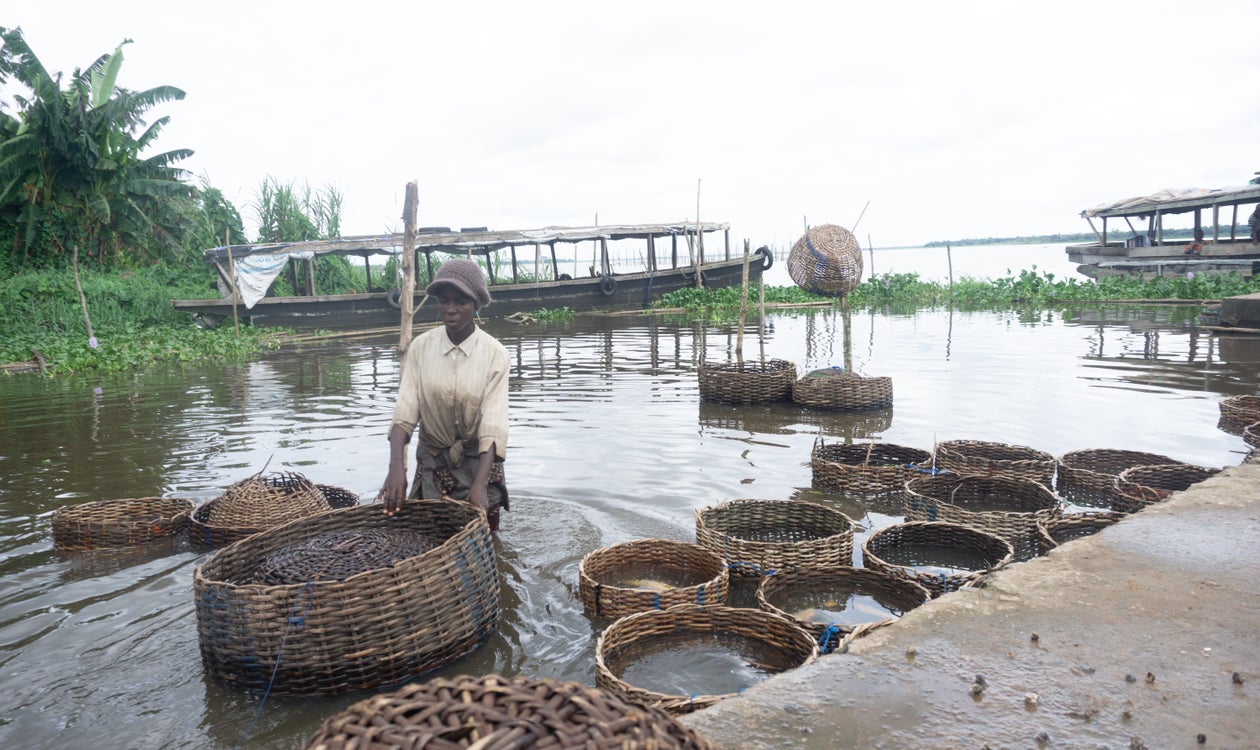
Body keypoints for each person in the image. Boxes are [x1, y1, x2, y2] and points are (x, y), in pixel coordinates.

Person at [379, 258, 510, 530]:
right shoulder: (421, 348)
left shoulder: (494, 354)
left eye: (460, 302)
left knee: (484, 540)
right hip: (434, 460)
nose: (450, 310)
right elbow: (404, 414)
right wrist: (396, 469)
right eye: (444, 301)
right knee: (431, 534)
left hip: (479, 462)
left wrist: (480, 486)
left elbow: (493, 428)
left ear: (476, 304)